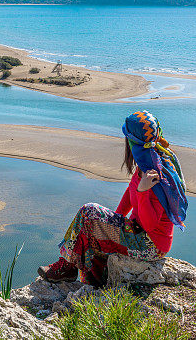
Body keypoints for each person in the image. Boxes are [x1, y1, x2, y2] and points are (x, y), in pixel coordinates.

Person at [38, 110, 188, 286]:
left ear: (131, 142)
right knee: (92, 222)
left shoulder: (155, 174)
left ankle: (67, 266)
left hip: (151, 245)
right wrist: (112, 222)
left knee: (89, 211)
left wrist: (143, 191)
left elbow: (150, 225)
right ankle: (85, 273)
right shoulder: (147, 161)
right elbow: (129, 193)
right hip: (139, 232)